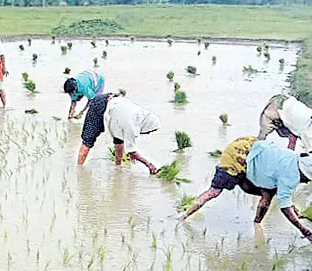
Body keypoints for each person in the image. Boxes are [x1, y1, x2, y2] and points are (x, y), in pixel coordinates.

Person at [180, 138, 312, 243]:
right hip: (238, 153)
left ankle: (257, 225)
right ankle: (183, 217)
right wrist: (306, 231)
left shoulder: (293, 157)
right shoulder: (291, 176)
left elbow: (284, 197)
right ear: (304, 174)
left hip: (255, 151)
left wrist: (294, 209)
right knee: (214, 191)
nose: (307, 182)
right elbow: (285, 206)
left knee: (267, 196)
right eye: (307, 179)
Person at [77, 94, 161, 174]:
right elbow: (132, 152)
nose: (148, 133)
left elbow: (123, 142)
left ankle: (118, 166)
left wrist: (118, 169)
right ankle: (78, 170)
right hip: (100, 105)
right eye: (149, 131)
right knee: (88, 140)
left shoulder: (140, 115)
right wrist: (149, 165)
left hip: (115, 106)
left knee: (119, 139)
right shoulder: (130, 125)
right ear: (147, 125)